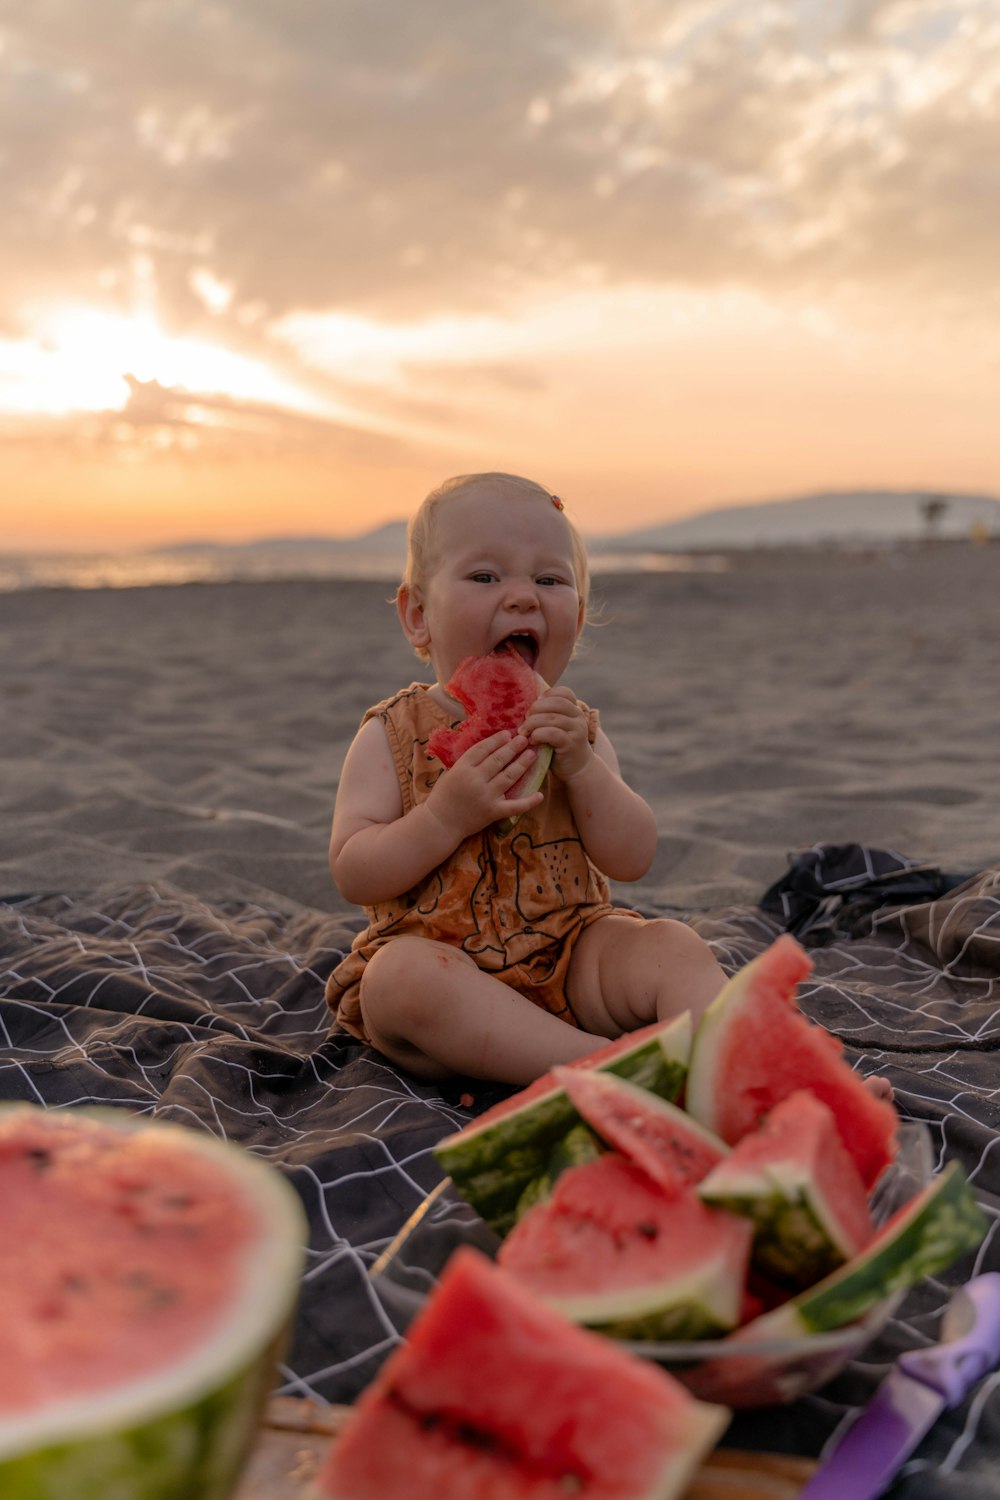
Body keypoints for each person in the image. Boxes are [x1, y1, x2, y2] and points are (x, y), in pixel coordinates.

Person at [324, 470, 729, 1085]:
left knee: (671, 943)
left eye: (549, 579)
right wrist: (443, 818)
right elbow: (354, 869)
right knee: (398, 981)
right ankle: (606, 1069)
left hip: (571, 959)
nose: (522, 597)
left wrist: (583, 769)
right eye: (485, 577)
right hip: (447, 979)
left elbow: (633, 857)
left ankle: (740, 1069)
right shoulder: (392, 733)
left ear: (580, 616)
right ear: (418, 615)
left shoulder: (576, 732)